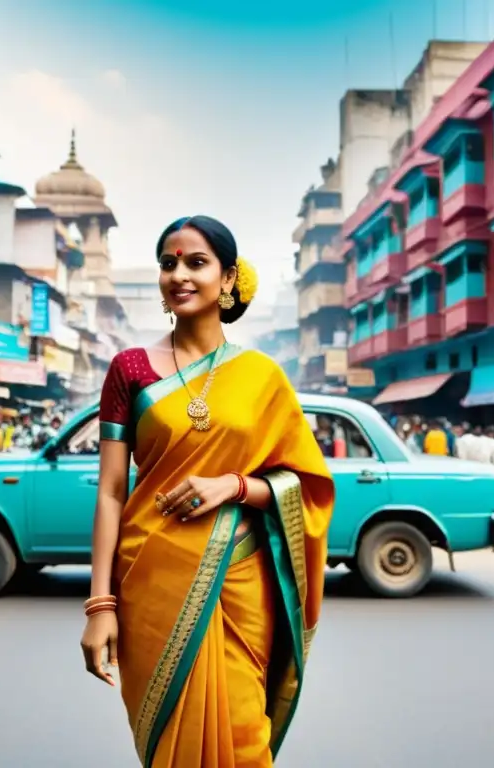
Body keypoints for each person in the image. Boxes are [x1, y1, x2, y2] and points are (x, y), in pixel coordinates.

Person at [79, 215, 335, 767]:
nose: (179, 275)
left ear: (228, 278)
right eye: (168, 263)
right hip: (151, 580)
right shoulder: (131, 370)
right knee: (170, 745)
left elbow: (307, 486)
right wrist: (100, 606)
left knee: (244, 738)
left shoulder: (262, 377)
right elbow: (110, 493)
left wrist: (236, 486)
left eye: (196, 262)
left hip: (239, 580)